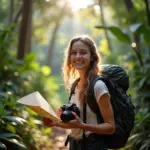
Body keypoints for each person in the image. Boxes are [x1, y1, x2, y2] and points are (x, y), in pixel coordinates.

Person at [43, 35, 115, 150]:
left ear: (92, 57)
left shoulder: (98, 87)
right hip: (74, 145)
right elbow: (75, 124)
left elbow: (111, 127)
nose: (78, 56)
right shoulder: (74, 85)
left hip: (94, 146)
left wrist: (82, 126)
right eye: (73, 53)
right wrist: (54, 123)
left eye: (83, 52)